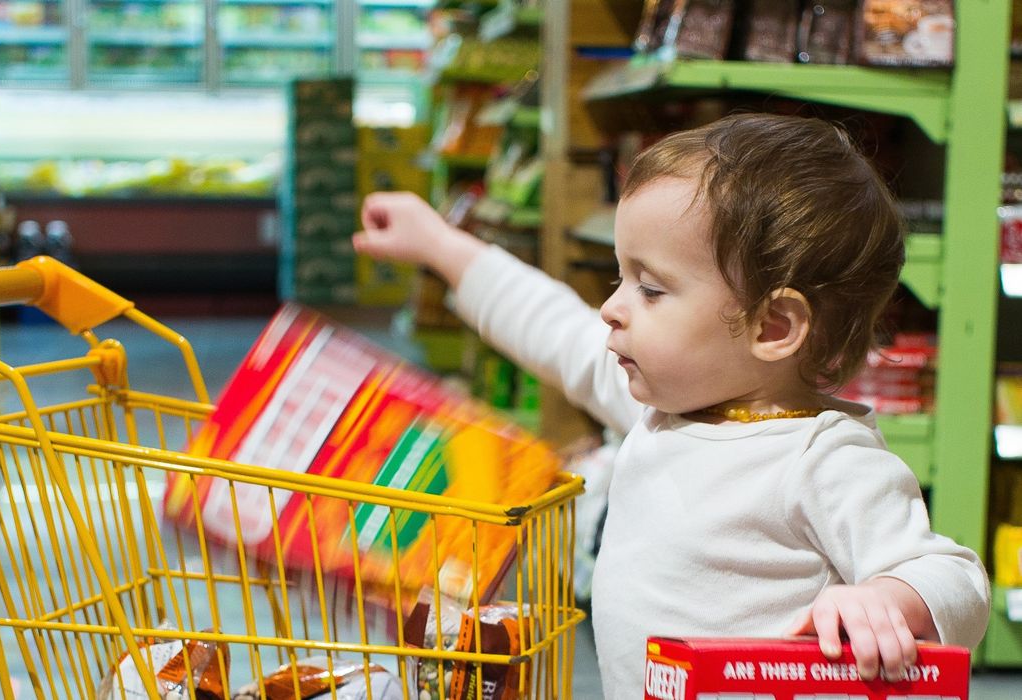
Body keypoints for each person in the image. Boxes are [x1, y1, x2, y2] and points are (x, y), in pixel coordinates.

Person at [353, 113, 990, 699]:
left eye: (651, 288)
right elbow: (553, 328)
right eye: (620, 278)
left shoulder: (823, 457)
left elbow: (953, 576)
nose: (613, 307)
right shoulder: (665, 409)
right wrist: (440, 245)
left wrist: (888, 597)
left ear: (772, 326)